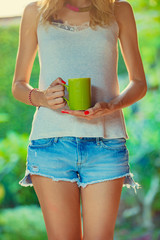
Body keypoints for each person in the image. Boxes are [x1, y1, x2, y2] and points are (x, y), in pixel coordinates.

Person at [12, 0, 147, 239]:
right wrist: (42, 97)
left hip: (106, 144)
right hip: (50, 144)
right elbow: (18, 86)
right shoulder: (35, 12)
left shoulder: (119, 10)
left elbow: (139, 83)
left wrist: (112, 105)